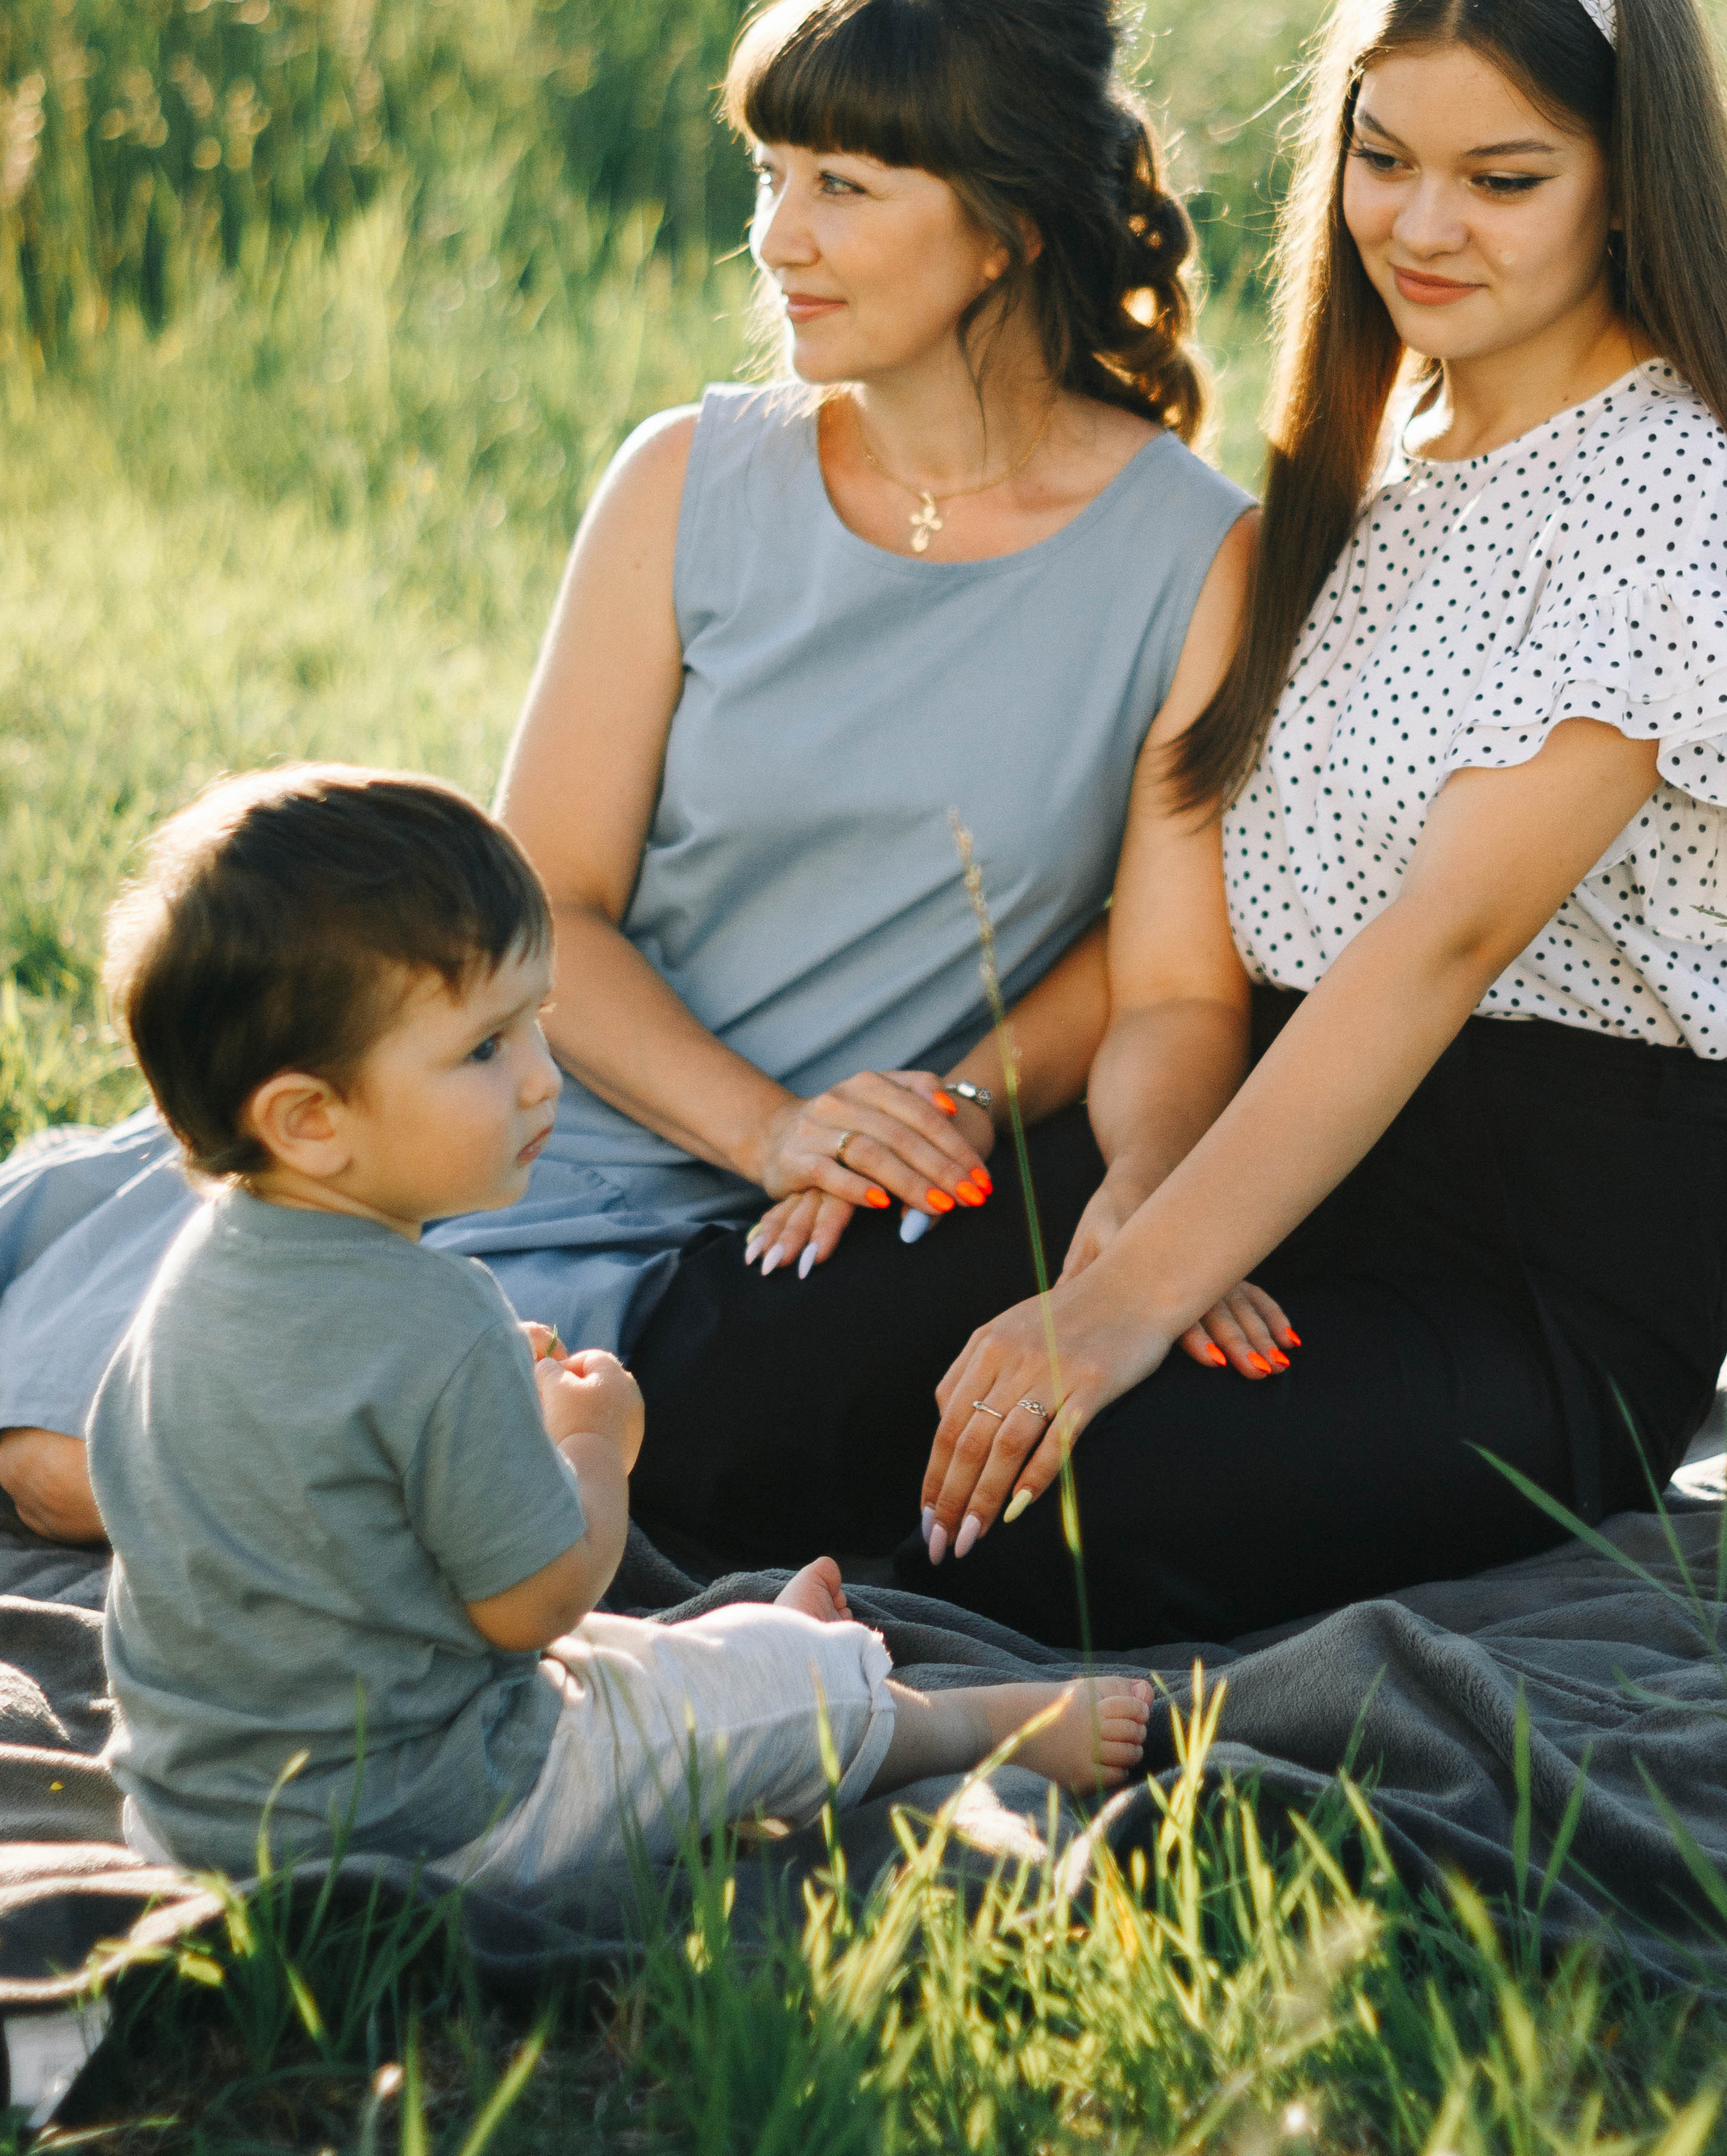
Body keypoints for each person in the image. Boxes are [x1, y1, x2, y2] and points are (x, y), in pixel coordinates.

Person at [0, 0, 1262, 1550]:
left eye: (842, 188)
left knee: (210, 1472)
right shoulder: (686, 477)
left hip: (749, 1237)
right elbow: (551, 903)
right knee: (67, 1454)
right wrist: (769, 1127)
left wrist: (1129, 1197)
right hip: (526, 1106)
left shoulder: (1194, 554)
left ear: (1009, 227)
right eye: (768, 176)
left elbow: (1165, 980)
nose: (776, 239)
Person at [911, 0, 1727, 1647]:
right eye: (1381, 158)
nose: (1423, 226)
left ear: (1625, 185)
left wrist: (1125, 1304)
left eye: (1503, 180)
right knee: (812, 1358)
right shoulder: (1366, 453)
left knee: (1071, 1501)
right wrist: (1154, 1203)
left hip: (1529, 1265)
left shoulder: (1657, 488)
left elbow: (1435, 947)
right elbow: (1209, 918)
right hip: (1289, 1148)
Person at [89, 767, 1151, 1884]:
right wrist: (593, 1444)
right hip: (443, 1819)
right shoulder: (439, 1321)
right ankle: (960, 1725)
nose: (543, 1080)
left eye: (533, 1025)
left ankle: (777, 1650)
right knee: (730, 1707)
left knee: (630, 1671)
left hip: (197, 1814)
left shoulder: (188, 1284)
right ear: (310, 1120)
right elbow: (539, 1604)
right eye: (486, 1049)